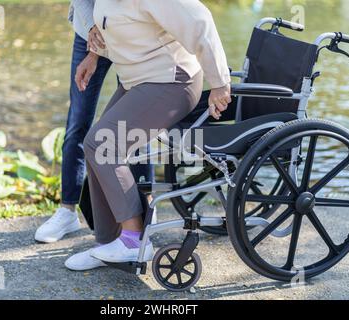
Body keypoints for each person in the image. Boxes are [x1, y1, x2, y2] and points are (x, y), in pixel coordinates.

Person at [64, 0, 232, 271]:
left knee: (102, 145)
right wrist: (93, 55)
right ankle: (108, 243)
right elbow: (111, 24)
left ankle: (133, 242)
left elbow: (201, 22)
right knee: (95, 147)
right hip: (138, 79)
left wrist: (220, 83)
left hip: (172, 81)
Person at [34, 0, 154, 260]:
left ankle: (145, 217)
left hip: (129, 33)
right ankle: (67, 211)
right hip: (88, 31)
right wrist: (92, 30)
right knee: (78, 121)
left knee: (135, 126)